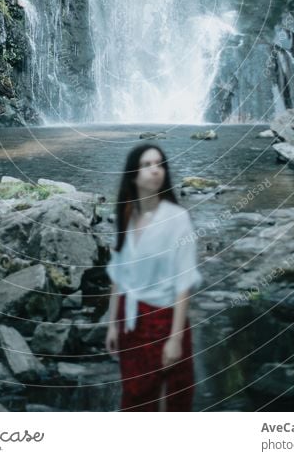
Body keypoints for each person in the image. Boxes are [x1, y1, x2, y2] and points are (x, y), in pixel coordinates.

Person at [105, 143, 202, 411]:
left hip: (163, 317)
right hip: (130, 320)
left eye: (159, 164)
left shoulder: (177, 218)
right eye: (147, 165)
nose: (154, 170)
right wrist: (113, 323)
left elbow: (184, 282)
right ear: (133, 174)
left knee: (175, 396)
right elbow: (119, 274)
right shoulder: (126, 215)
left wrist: (176, 338)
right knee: (134, 396)